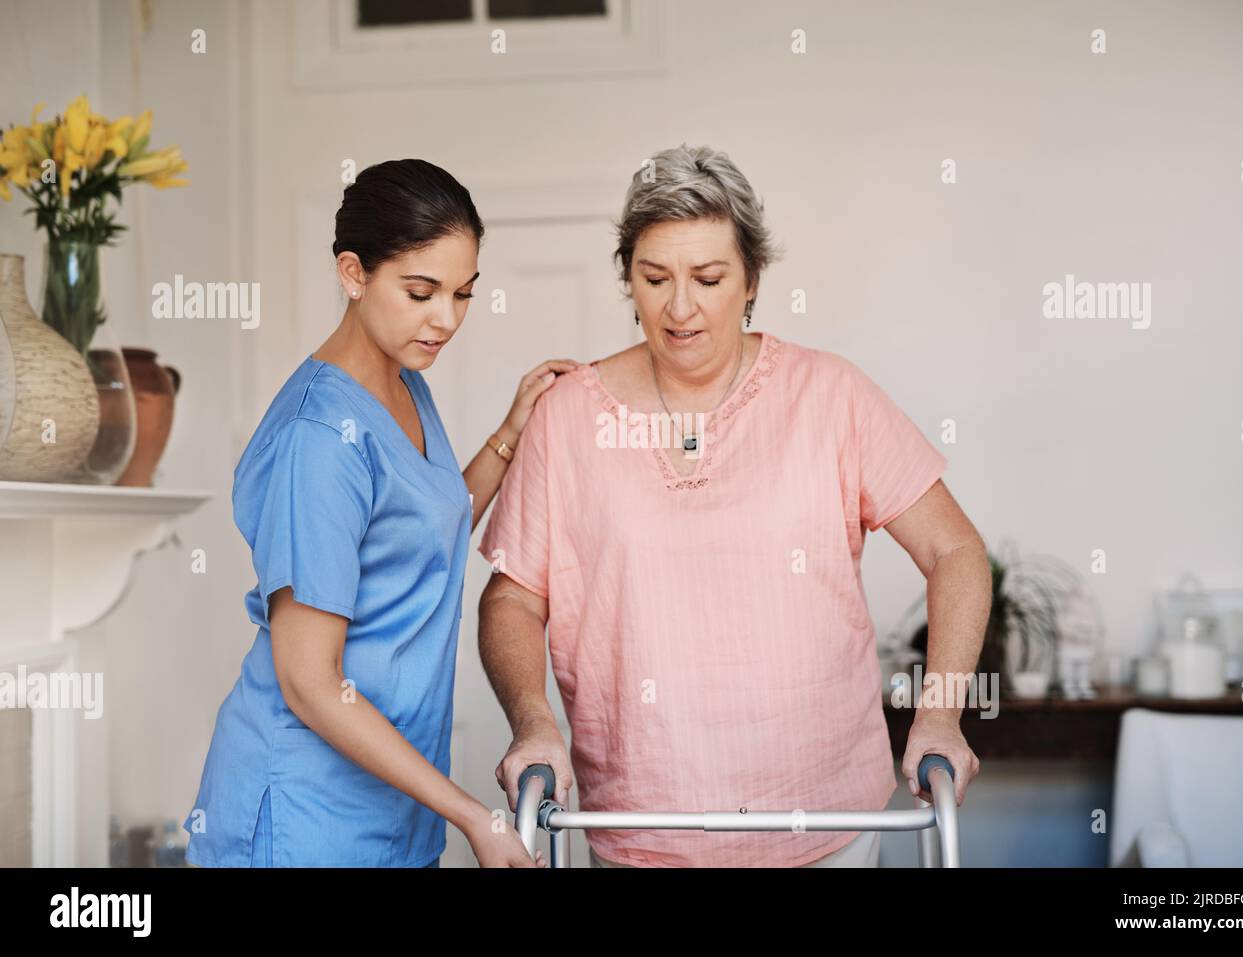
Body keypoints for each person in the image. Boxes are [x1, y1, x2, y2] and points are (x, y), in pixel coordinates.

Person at [476, 144, 990, 867]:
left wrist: (940, 712)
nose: (679, 306)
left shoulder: (831, 395)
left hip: (827, 817)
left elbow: (956, 551)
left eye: (707, 278)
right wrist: (533, 722)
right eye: (654, 278)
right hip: (643, 829)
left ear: (752, 278)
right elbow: (511, 600)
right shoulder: (568, 417)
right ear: (629, 279)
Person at [184, 159, 575, 867]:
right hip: (303, 815)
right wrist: (470, 814)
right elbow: (309, 681)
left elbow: (424, 524)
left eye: (462, 293)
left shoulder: (400, 378)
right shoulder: (319, 439)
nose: (446, 319)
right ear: (354, 273)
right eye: (421, 291)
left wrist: (510, 431)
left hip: (390, 806)